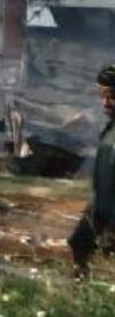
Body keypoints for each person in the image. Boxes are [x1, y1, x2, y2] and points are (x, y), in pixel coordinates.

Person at [68, 66, 115, 279]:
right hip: (101, 207)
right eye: (103, 96)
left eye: (112, 96)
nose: (105, 102)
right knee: (79, 242)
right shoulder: (110, 130)